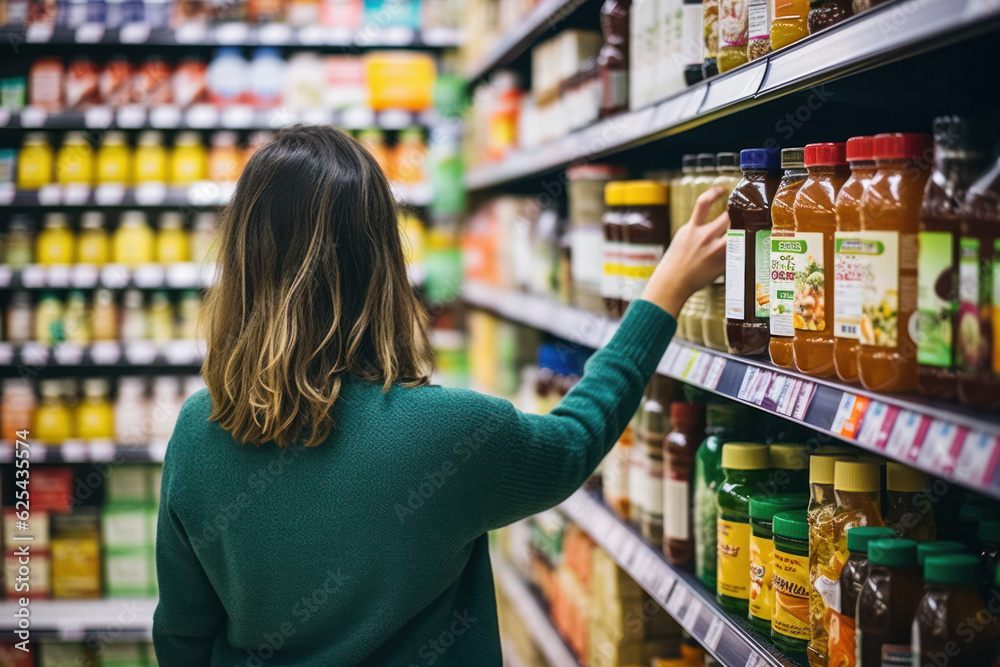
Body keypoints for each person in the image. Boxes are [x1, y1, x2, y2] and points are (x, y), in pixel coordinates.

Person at [153, 124, 729, 666]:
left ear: (243, 262)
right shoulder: (450, 433)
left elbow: (183, 634)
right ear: (382, 261)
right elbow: (577, 439)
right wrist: (664, 291)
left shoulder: (197, 431)